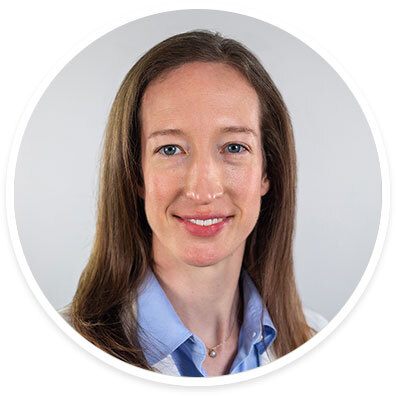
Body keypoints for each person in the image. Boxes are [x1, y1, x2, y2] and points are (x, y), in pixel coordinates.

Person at [59, 30, 327, 377]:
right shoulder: (58, 351)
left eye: (233, 147)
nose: (203, 191)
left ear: (267, 171)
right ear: (136, 175)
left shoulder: (319, 345)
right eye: (170, 149)